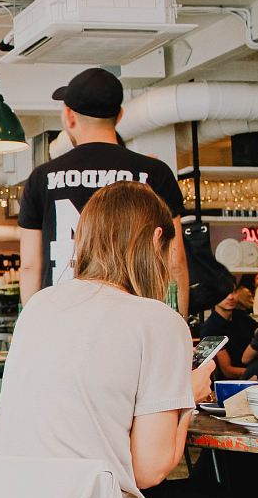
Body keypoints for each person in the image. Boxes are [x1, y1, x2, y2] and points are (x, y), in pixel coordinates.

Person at [0, 182, 247, 498]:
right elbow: (151, 469)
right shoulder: (158, 321)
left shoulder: (39, 308)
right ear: (156, 241)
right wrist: (187, 397)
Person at [18, 67, 189, 315]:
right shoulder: (154, 173)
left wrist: (32, 326)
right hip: (133, 315)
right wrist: (178, 323)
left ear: (69, 116)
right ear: (119, 116)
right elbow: (175, 259)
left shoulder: (42, 178)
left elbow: (30, 266)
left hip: (62, 316)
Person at [199, 281, 258, 380]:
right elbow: (228, 371)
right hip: (231, 384)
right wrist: (256, 373)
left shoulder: (242, 317)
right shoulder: (210, 329)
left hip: (253, 372)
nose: (230, 297)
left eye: (234, 292)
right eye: (224, 293)